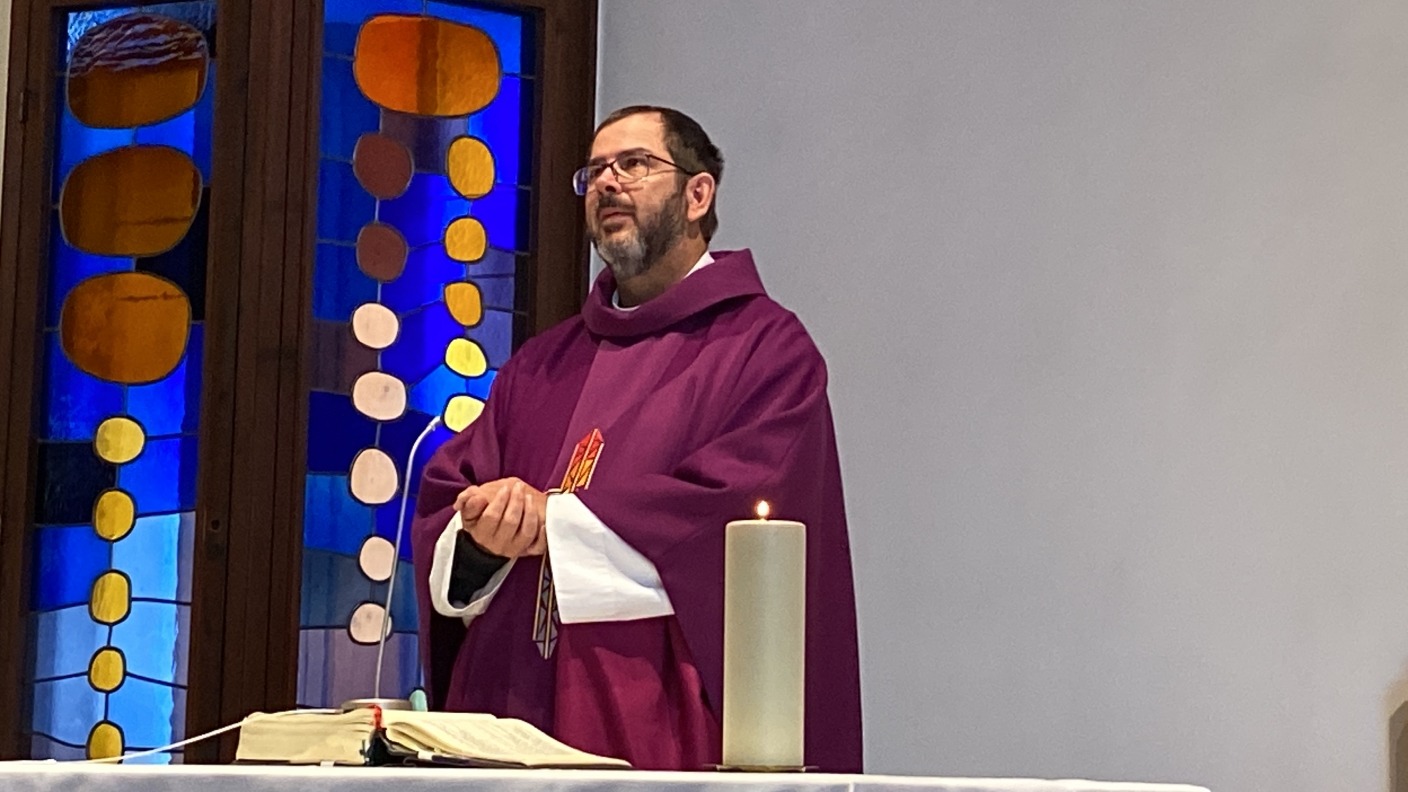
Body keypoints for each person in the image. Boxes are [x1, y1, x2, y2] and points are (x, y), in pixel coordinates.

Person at [411, 105, 862, 772]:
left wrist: (552, 522)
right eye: (594, 171)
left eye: (634, 164)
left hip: (648, 715)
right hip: (508, 709)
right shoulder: (542, 364)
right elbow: (455, 493)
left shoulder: (766, 350)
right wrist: (482, 535)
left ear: (697, 194)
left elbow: (735, 513)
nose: (607, 182)